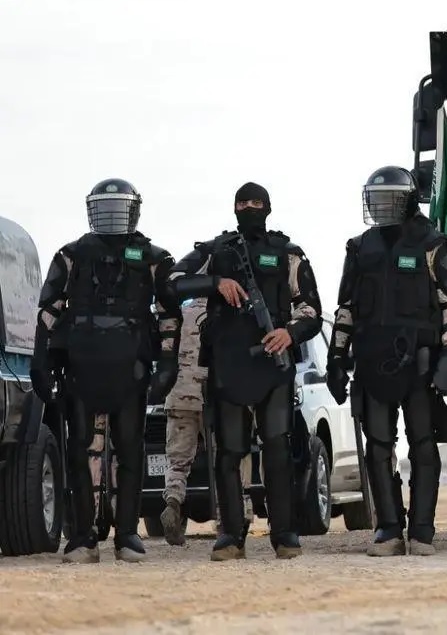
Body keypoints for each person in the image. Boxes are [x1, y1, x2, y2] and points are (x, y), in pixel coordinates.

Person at [31, 179, 182, 563]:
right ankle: (83, 536)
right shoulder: (71, 256)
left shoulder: (153, 258)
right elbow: (48, 312)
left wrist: (168, 364)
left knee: (130, 448)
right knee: (80, 450)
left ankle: (127, 534)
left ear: (134, 211)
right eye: (104, 206)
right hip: (81, 368)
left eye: (119, 206)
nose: (112, 214)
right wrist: (40, 361)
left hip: (131, 369)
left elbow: (169, 315)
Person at [170, 182, 323, 561]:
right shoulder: (215, 251)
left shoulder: (288, 253)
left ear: (268, 207)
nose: (250, 208)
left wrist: (289, 333)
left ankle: (285, 536)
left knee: (277, 450)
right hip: (228, 365)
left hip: (274, 365)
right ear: (234, 207)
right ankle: (231, 537)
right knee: (229, 451)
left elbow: (311, 310)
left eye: (257, 202)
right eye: (243, 203)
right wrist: (215, 283)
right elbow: (172, 282)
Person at [327, 166, 447, 556]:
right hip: (371, 361)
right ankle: (388, 529)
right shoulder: (359, 248)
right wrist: (337, 358)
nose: (381, 206)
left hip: (419, 363)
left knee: (423, 444)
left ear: (408, 200)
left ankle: (422, 531)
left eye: (389, 199)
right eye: (376, 199)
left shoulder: (434, 245)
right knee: (377, 446)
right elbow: (346, 309)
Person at [159, 298, 253, 545]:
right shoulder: (228, 312)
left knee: (178, 461)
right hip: (215, 394)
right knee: (226, 460)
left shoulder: (182, 312)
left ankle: (173, 502)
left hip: (180, 393)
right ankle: (229, 520)